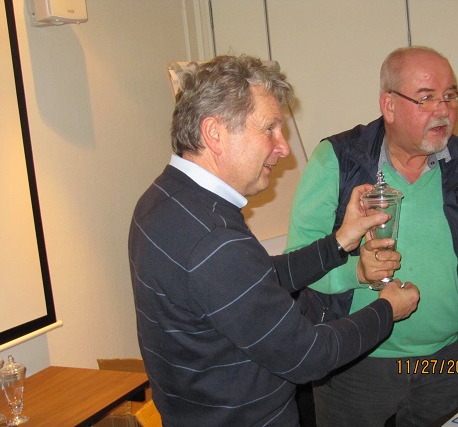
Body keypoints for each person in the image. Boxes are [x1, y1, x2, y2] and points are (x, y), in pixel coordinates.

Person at [128, 54, 419, 427]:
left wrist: (339, 243)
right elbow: (308, 356)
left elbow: (253, 281)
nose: (284, 148)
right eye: (270, 129)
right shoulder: (215, 240)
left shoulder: (162, 199)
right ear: (214, 133)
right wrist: (387, 309)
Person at [286, 46, 458, 427]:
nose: (443, 110)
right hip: (354, 364)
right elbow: (298, 262)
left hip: (446, 363)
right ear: (389, 105)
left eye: (450, 96)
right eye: (426, 97)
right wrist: (357, 272)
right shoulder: (337, 160)